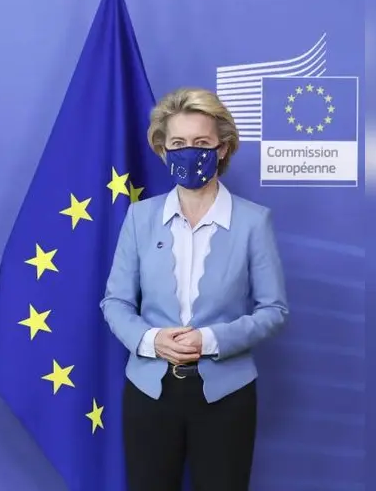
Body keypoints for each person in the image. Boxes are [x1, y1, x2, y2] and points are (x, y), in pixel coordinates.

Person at [100, 87, 289, 491]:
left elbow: (274, 310)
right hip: (149, 392)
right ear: (163, 150)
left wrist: (210, 339)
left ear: (222, 148)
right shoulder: (140, 217)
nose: (190, 153)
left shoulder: (254, 222)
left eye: (202, 143)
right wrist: (152, 340)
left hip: (227, 396)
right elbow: (115, 302)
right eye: (179, 144)